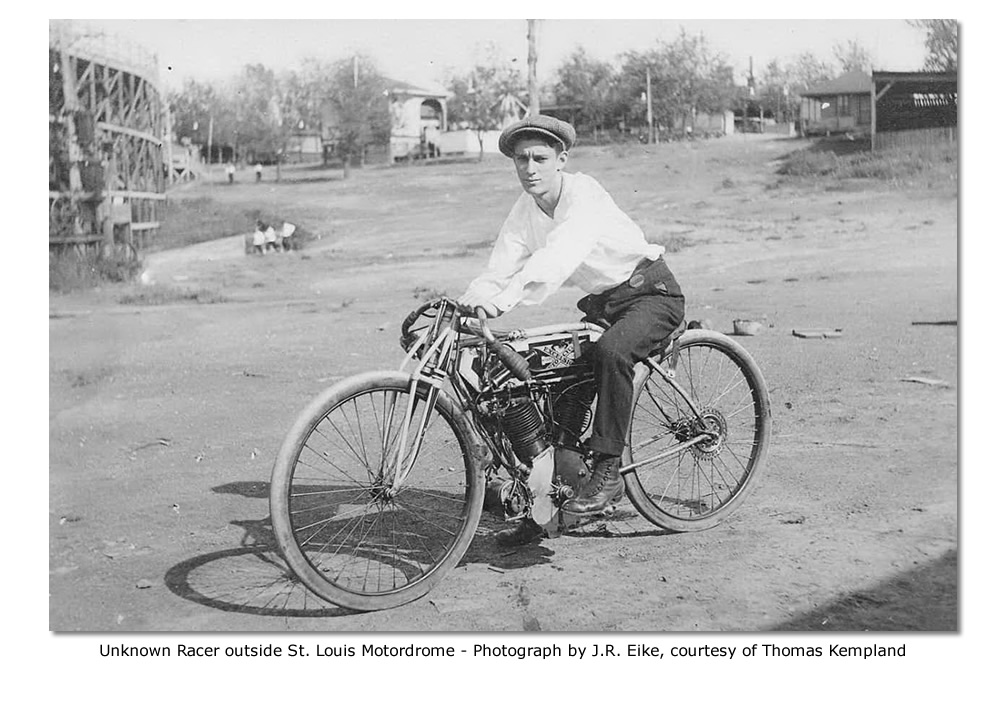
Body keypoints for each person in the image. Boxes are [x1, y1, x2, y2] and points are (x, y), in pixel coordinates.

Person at [458, 114, 685, 546]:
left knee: (610, 354)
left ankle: (607, 472)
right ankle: (548, 497)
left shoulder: (585, 195)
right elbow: (499, 267)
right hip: (604, 305)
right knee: (554, 372)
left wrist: (501, 303)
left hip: (651, 294)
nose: (530, 168)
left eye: (540, 157)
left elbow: (558, 258)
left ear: (561, 159)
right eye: (521, 159)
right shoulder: (525, 210)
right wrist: (471, 304)